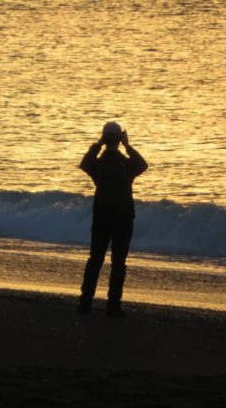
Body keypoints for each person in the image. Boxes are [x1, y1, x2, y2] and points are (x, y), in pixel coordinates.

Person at [77, 121, 148, 317]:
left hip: (101, 218)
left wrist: (97, 144)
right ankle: (113, 306)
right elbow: (143, 165)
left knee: (95, 260)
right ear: (119, 139)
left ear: (104, 138)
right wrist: (128, 145)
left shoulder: (98, 165)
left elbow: (84, 162)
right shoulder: (126, 165)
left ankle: (85, 303)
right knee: (118, 262)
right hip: (124, 219)